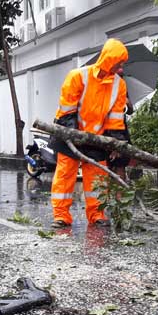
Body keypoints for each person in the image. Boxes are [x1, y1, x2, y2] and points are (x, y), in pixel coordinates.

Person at [50, 38, 129, 228]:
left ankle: (97, 215)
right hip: (70, 134)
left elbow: (116, 118)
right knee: (65, 176)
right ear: (109, 60)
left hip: (97, 139)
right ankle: (61, 216)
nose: (121, 69)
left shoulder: (119, 85)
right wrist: (75, 136)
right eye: (119, 63)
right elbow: (66, 111)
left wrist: (115, 141)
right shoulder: (77, 76)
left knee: (97, 179)